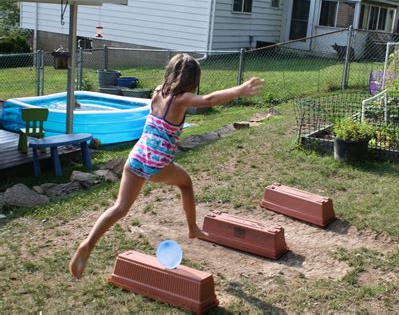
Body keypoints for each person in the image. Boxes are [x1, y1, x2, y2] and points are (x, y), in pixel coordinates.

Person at [69, 53, 265, 279]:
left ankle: (88, 244)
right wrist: (239, 90)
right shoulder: (181, 99)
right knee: (186, 184)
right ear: (193, 79)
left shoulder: (157, 92)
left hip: (136, 157)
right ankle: (192, 228)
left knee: (120, 208)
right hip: (157, 162)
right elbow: (209, 100)